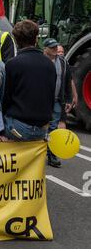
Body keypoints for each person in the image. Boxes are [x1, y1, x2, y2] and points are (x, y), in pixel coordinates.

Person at [3, 20, 56, 141]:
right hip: (42, 129)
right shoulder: (50, 64)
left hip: (18, 128)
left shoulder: (12, 64)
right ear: (36, 39)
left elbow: (5, 98)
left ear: (16, 40)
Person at [43, 38, 73, 167]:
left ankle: (51, 155)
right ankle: (35, 155)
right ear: (45, 49)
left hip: (56, 101)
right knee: (39, 127)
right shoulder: (40, 61)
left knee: (53, 129)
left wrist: (68, 99)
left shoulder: (63, 62)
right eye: (52, 47)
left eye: (56, 47)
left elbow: (67, 81)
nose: (55, 49)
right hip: (41, 101)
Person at [57, 44, 78, 112]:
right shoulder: (51, 64)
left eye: (62, 52)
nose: (61, 54)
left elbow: (70, 80)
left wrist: (75, 95)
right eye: (59, 52)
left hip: (62, 98)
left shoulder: (65, 64)